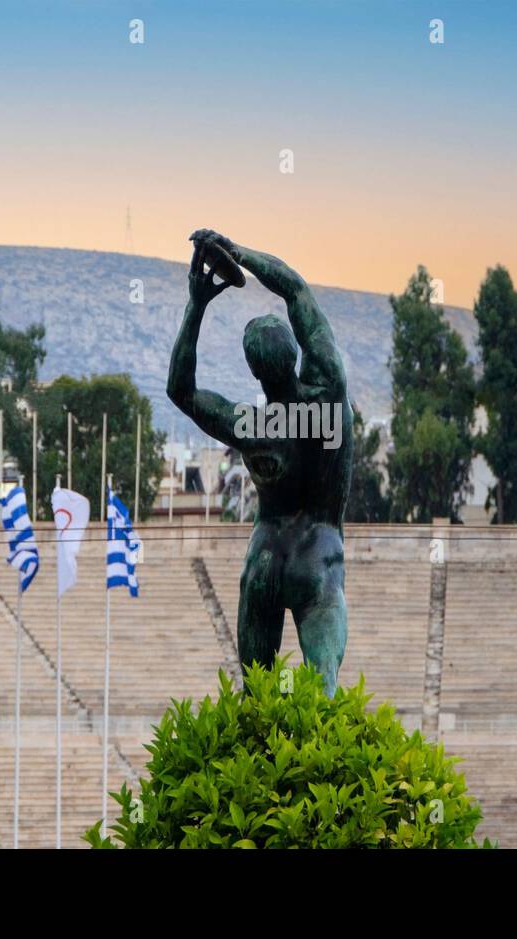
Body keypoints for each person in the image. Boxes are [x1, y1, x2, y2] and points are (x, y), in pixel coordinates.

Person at [167, 229, 352, 694]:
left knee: (256, 703)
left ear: (253, 370)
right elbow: (294, 288)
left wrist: (197, 304)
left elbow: (181, 391)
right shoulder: (328, 390)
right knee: (322, 702)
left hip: (265, 561)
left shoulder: (249, 425)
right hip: (318, 557)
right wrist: (239, 254)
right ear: (296, 354)